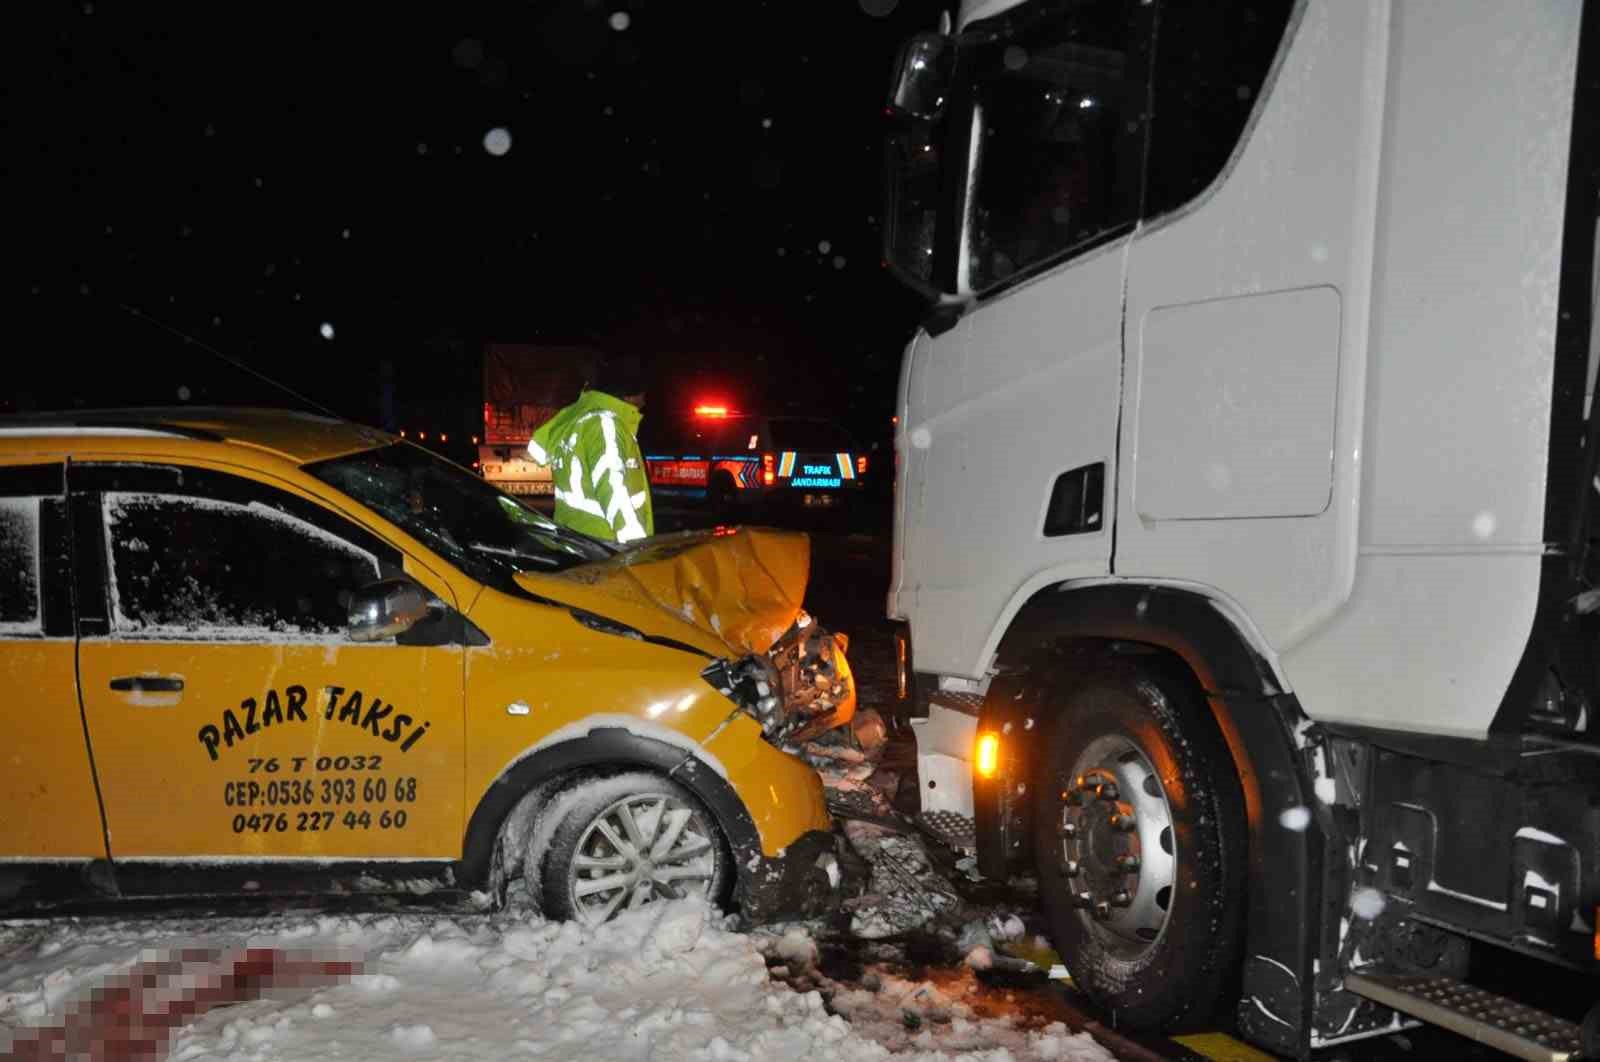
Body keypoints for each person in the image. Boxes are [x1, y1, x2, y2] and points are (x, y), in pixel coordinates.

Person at [527, 354, 654, 543]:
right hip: (605, 545)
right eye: (642, 394)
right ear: (627, 394)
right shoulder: (604, 423)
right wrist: (636, 546)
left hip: (579, 539)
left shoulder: (577, 418)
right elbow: (611, 484)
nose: (644, 402)